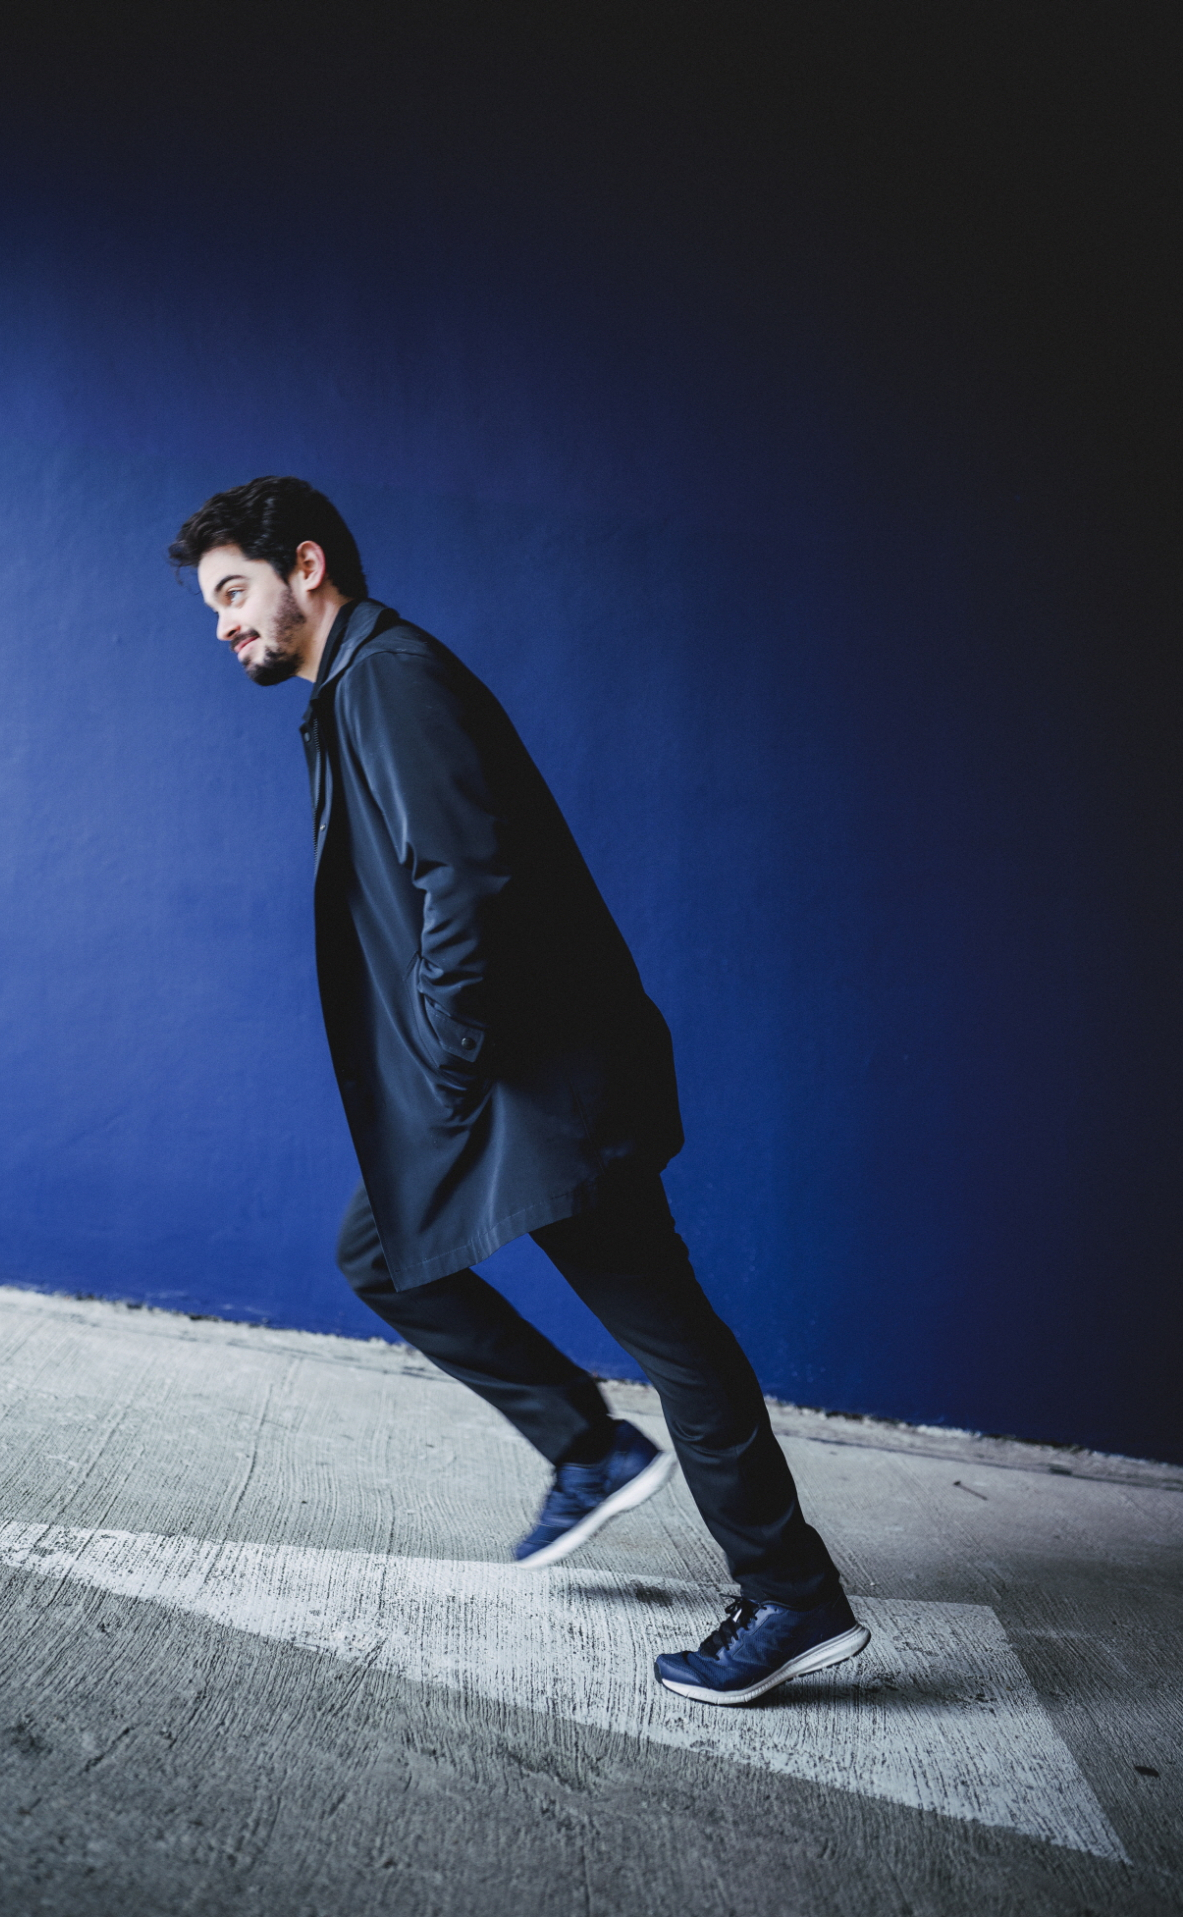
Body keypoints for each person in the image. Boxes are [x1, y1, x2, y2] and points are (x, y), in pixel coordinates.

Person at [169, 475, 870, 1705]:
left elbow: (467, 879)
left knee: (668, 1330)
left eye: (234, 591)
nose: (224, 622)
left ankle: (789, 1592)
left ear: (308, 568)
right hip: (506, 1081)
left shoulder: (385, 678)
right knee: (384, 1256)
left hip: (529, 1087)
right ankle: (588, 1447)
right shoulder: (355, 686)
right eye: (213, 603)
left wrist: (447, 1057)